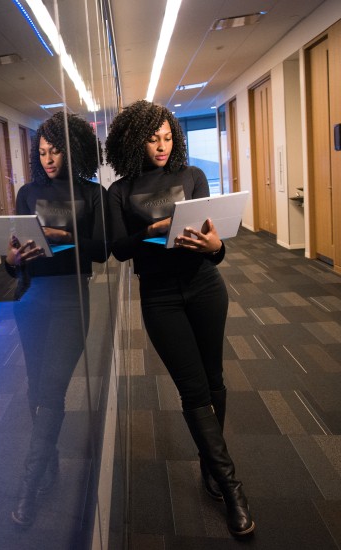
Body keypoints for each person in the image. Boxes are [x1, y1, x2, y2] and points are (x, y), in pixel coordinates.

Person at [104, 99, 254, 537]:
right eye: (153, 139)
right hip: (160, 296)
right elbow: (118, 248)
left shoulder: (193, 177)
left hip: (205, 286)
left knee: (214, 380)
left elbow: (215, 242)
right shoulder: (120, 191)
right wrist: (150, 231)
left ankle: (211, 463)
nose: (163, 146)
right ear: (135, 140)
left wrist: (216, 248)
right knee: (192, 390)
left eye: (169, 137)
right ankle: (232, 489)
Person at [4, 111, 109, 527]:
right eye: (43, 152)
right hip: (32, 298)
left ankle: (29, 486)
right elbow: (12, 259)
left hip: (71, 300)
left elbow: (102, 251)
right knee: (36, 390)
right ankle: (49, 464)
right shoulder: (27, 193)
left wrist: (65, 237)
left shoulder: (91, 193)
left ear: (73, 149)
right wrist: (12, 260)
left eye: (56, 151)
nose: (49, 159)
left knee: (51, 390)